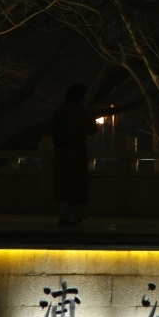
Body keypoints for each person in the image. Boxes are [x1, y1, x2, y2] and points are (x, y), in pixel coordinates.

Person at [51, 83, 99, 225]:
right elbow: (91, 130)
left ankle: (64, 213)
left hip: (60, 152)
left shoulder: (59, 111)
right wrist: (92, 118)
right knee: (75, 185)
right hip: (76, 152)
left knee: (64, 183)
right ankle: (70, 215)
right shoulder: (79, 112)